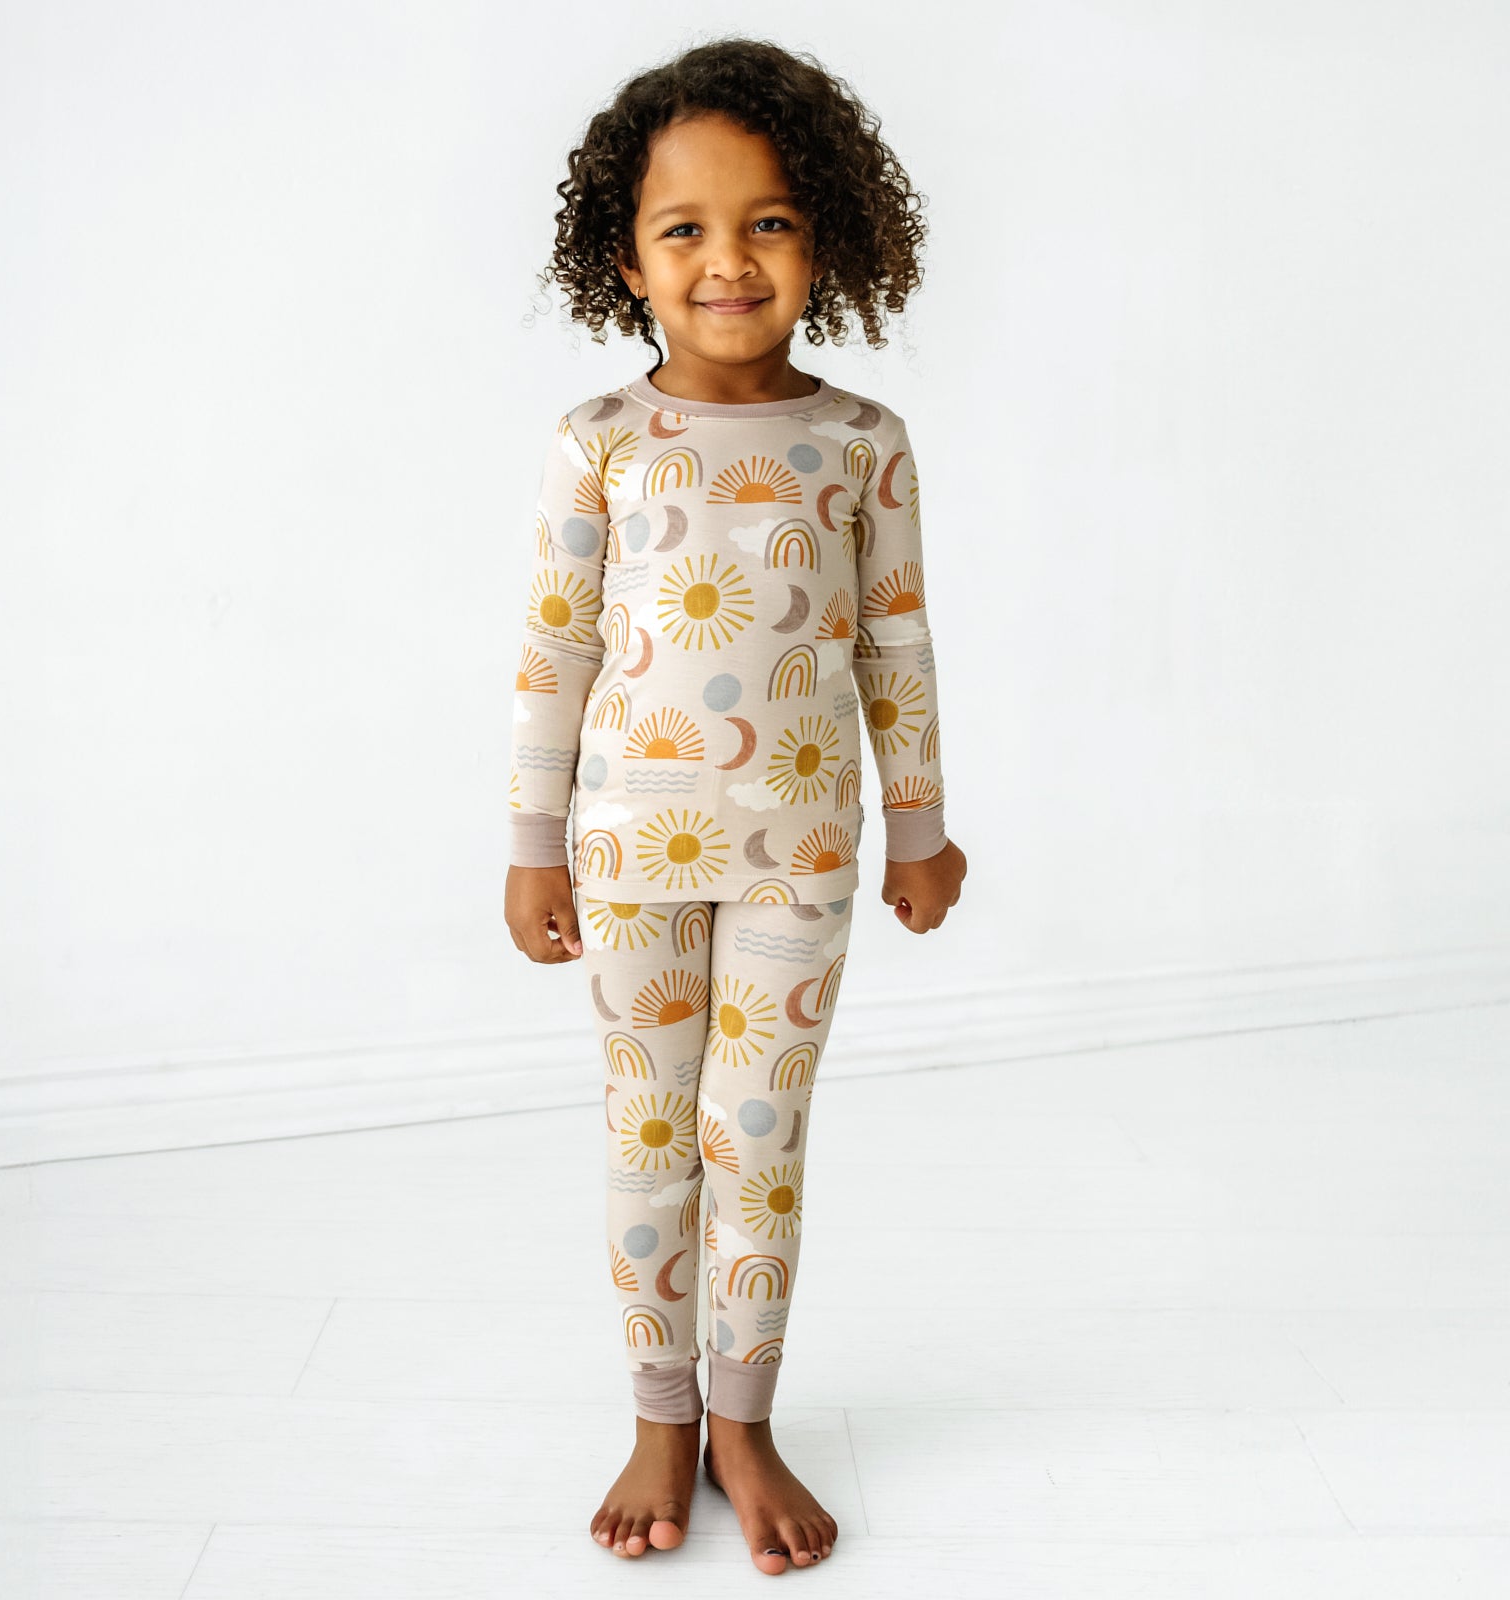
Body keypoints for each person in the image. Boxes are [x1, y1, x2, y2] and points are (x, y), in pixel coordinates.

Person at [502, 36, 966, 1575]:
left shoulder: (862, 444)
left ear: (827, 236)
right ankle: (659, 1418)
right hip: (628, 853)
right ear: (624, 256)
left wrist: (920, 828)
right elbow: (557, 650)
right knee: (651, 1137)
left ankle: (746, 1425)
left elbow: (895, 643)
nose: (728, 261)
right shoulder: (599, 442)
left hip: (802, 856)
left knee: (754, 1141)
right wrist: (530, 848)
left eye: (769, 221)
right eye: (684, 228)